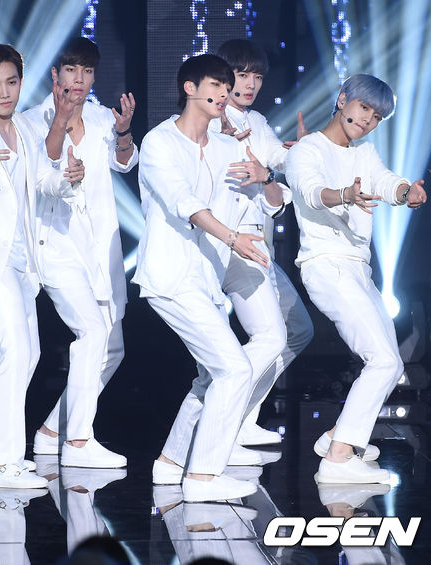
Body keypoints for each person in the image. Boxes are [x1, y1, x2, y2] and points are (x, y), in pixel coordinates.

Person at [132, 54, 282, 502]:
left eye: (226, 87)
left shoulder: (227, 146)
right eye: (216, 85)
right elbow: (184, 203)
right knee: (234, 369)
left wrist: (267, 176)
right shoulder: (159, 142)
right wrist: (234, 239)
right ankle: (202, 478)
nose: (224, 93)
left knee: (210, 378)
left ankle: (171, 462)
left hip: (207, 278)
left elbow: (267, 203)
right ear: (190, 88)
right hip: (170, 276)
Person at [0, 43, 83, 488]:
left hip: (25, 260)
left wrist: (67, 178)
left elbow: (41, 180)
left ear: (21, 82)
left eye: (11, 82)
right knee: (15, 352)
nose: (4, 93)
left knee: (29, 355)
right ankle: (3, 467)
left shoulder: (23, 127)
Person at [285, 73, 427, 483]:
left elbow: (384, 180)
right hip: (326, 265)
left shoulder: (365, 153)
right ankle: (338, 459)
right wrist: (343, 195)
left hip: (358, 269)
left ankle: (338, 437)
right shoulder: (308, 149)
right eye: (364, 107)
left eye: (377, 116)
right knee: (382, 361)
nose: (368, 119)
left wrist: (406, 192)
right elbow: (310, 191)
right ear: (343, 99)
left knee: (391, 364)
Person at [23, 36, 138, 468]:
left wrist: (123, 131)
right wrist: (60, 127)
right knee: (91, 333)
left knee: (112, 349)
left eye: (87, 71)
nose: (79, 79)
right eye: (71, 69)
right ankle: (78, 442)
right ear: (56, 74)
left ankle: (52, 431)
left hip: (99, 246)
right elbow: (42, 171)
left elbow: (124, 162)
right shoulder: (32, 120)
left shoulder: (101, 116)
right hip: (57, 245)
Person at [210, 39, 314, 446]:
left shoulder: (256, 121)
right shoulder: (208, 122)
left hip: (256, 245)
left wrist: (306, 152)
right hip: (224, 245)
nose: (251, 84)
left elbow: (278, 161)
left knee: (297, 330)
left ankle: (240, 416)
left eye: (257, 76)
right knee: (268, 338)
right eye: (243, 75)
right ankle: (222, 421)